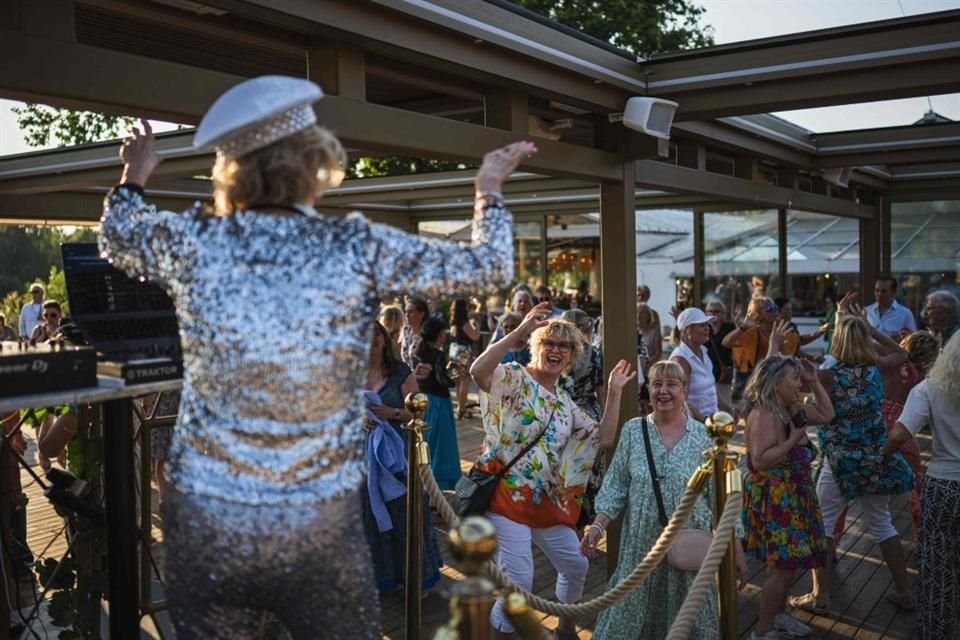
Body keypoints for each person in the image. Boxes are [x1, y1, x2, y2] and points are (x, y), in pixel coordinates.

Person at [99, 74, 536, 638]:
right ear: (314, 163)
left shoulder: (195, 241)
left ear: (229, 171)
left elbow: (118, 233)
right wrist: (488, 189)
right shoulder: (350, 245)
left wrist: (136, 172)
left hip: (209, 512)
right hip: (316, 519)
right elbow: (490, 267)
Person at [470, 302, 634, 640]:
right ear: (536, 346)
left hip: (543, 500)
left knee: (576, 565)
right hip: (505, 497)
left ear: (572, 356)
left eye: (564, 346)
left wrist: (615, 392)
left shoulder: (564, 401)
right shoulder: (514, 376)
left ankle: (565, 627)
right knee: (520, 581)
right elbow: (478, 372)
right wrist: (518, 331)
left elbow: (603, 437)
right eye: (549, 343)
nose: (556, 350)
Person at [582, 361, 748, 640]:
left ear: (684, 391)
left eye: (672, 384)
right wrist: (597, 527)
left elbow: (723, 500)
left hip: (685, 552)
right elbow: (616, 486)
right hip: (640, 550)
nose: (663, 391)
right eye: (657, 384)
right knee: (624, 623)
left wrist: (737, 551)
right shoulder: (634, 431)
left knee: (687, 623)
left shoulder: (703, 438)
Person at [789, 311, 915, 617]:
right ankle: (904, 592)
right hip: (876, 456)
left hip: (840, 461)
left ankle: (820, 597)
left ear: (839, 341)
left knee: (824, 524)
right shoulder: (877, 369)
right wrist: (873, 330)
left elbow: (789, 383)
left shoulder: (829, 376)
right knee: (882, 522)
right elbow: (901, 352)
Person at [741, 355, 834, 640]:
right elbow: (760, 460)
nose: (799, 384)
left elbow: (828, 414)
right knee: (782, 568)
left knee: (789, 564)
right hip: (775, 500)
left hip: (794, 496)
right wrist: (794, 439)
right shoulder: (765, 413)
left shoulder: (790, 408)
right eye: (795, 378)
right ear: (776, 382)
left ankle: (779, 617)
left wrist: (814, 380)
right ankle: (762, 631)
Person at [883, 332, 960, 639]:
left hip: (944, 485)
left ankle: (937, 632)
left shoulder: (929, 389)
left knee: (939, 567)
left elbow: (900, 434)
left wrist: (882, 455)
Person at [361, 322, 442, 592]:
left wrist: (392, 413)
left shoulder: (400, 373)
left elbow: (419, 410)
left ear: (384, 339)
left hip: (399, 455)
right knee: (370, 516)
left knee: (405, 512)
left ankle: (418, 577)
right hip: (362, 457)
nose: (369, 339)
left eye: (375, 334)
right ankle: (381, 579)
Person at [723, 296, 799, 408]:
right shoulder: (752, 332)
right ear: (758, 314)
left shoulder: (780, 331)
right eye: (769, 309)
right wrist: (743, 327)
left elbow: (790, 350)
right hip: (749, 384)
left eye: (775, 307)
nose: (774, 310)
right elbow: (726, 342)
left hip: (772, 383)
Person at [414, 316, 461, 490]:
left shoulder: (419, 353)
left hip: (425, 400)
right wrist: (454, 379)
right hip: (439, 402)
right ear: (440, 335)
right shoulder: (438, 354)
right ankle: (443, 481)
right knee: (443, 443)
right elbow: (442, 379)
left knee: (428, 440)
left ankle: (425, 478)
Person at [669, 308, 718, 422]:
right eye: (702, 325)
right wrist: (705, 421)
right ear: (688, 330)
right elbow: (680, 401)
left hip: (711, 423)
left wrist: (730, 409)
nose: (707, 328)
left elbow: (711, 389)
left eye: (707, 324)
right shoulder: (680, 359)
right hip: (693, 428)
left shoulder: (704, 352)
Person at [449, 298, 481, 419]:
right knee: (465, 381)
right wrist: (476, 326)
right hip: (463, 352)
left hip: (453, 350)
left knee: (458, 381)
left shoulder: (453, 321)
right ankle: (461, 409)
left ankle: (460, 407)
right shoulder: (464, 322)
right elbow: (476, 336)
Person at [401, 297, 429, 368]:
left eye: (411, 312)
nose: (407, 315)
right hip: (406, 375)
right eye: (406, 312)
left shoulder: (428, 334)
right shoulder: (406, 331)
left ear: (421, 314)